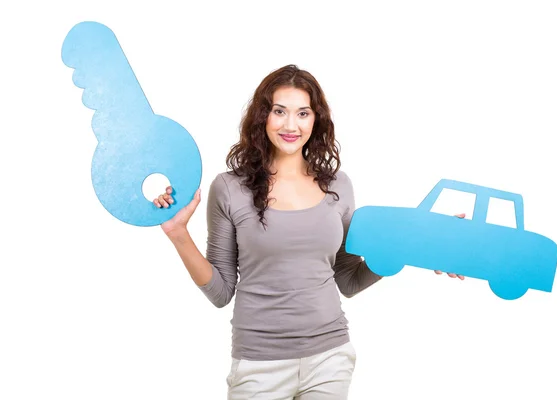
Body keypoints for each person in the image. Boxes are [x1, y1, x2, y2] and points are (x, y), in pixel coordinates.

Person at [153, 64, 464, 399]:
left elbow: (348, 279)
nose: (291, 125)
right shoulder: (229, 188)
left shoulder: (338, 186)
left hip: (329, 359)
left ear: (316, 120)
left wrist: (413, 246)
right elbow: (220, 292)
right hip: (259, 366)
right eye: (279, 111)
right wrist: (178, 235)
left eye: (302, 113)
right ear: (263, 117)